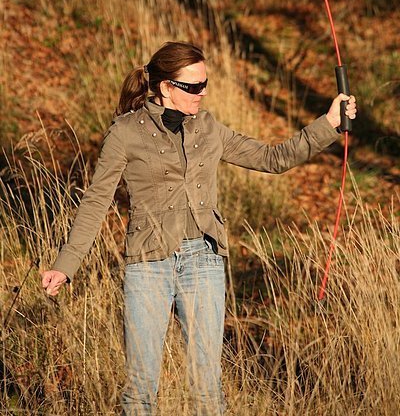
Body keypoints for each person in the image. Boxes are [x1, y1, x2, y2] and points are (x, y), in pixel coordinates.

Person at [41, 41, 357, 415]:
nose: (202, 93)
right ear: (165, 87)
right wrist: (66, 264)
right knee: (141, 387)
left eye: (204, 84)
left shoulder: (208, 128)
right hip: (147, 265)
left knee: (207, 387)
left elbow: (274, 159)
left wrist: (329, 123)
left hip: (204, 262)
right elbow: (96, 201)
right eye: (193, 87)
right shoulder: (125, 133)